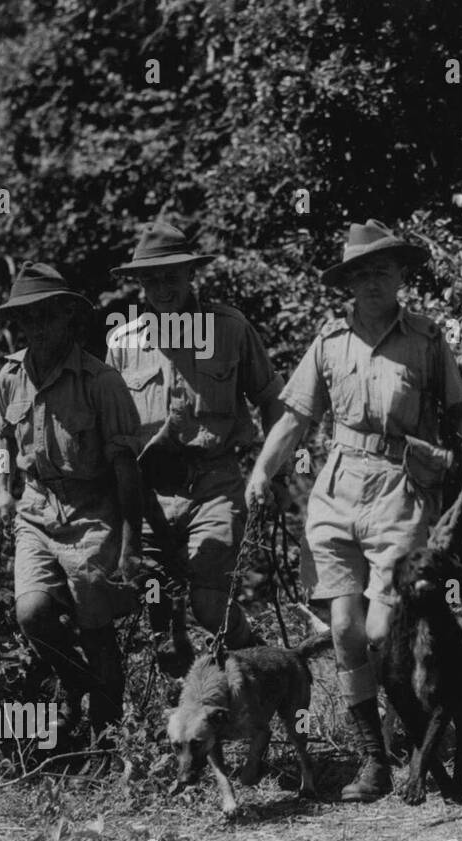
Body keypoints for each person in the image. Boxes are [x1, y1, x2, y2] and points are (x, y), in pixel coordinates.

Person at [246, 220, 462, 802]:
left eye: (384, 269)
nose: (374, 280)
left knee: (384, 630)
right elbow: (294, 418)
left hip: (402, 494)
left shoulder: (427, 339)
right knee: (343, 627)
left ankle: (406, 734)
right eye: (363, 272)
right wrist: (262, 471)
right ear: (349, 283)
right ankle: (373, 761)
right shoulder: (329, 342)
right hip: (336, 491)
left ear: (401, 275)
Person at [107, 222, 285, 666]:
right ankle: (178, 717)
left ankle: (262, 666)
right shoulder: (123, 344)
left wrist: (273, 472)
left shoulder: (228, 328)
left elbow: (273, 401)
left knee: (209, 604)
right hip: (147, 497)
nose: (162, 288)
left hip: (213, 485)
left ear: (191, 274)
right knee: (154, 610)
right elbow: (114, 439)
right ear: (139, 282)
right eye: (151, 278)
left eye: (171, 275)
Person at [0, 263, 143, 752]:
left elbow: (125, 468)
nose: (37, 328)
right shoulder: (11, 375)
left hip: (92, 512)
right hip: (36, 508)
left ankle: (107, 736)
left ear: (69, 319)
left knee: (95, 624)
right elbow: (0, 438)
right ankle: (79, 685)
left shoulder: (101, 382)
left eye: (47, 317)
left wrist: (131, 542)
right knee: (32, 612)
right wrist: (1, 490)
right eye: (27, 319)